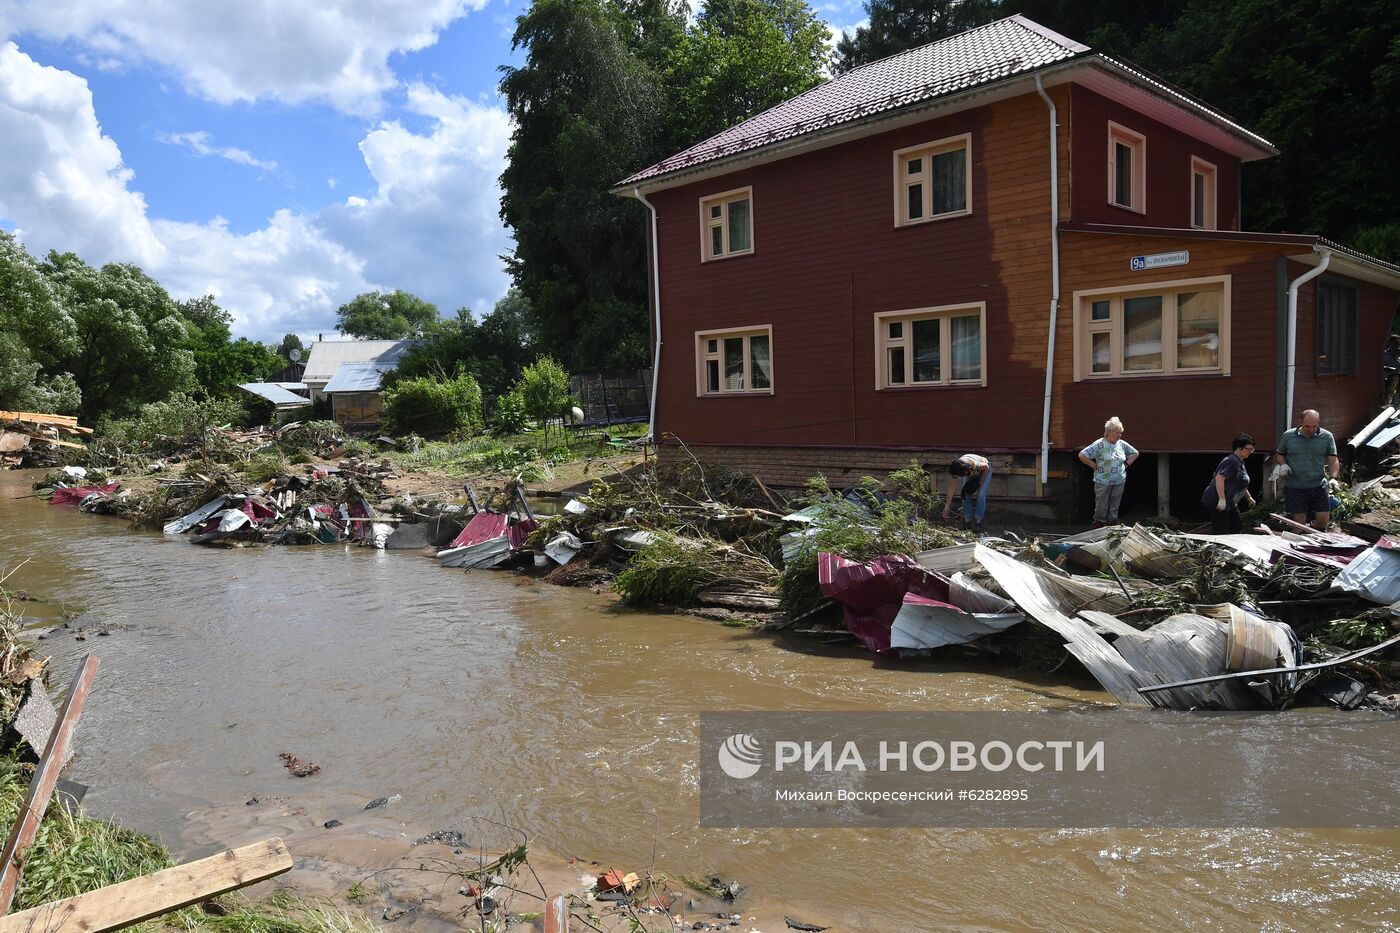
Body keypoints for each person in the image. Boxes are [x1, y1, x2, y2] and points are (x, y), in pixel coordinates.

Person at [1275, 409, 1339, 530]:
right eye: (1307, 426)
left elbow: (1333, 459)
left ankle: (1315, 540)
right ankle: (1296, 543)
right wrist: (1283, 465)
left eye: (1314, 426)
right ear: (1300, 422)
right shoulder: (1288, 436)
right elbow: (1279, 454)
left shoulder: (1326, 437)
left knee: (1323, 518)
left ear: (1318, 422)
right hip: (1295, 486)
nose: (1311, 430)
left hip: (1318, 484)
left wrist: (1334, 478)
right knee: (1299, 519)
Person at [1078, 416, 1139, 527]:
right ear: (1109, 432)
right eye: (1116, 433)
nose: (1119, 435)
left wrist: (1126, 464)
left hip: (1119, 479)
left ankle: (1112, 522)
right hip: (1103, 479)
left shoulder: (1121, 444)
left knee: (1115, 503)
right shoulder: (1099, 444)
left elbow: (1135, 453)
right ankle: (1099, 522)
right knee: (1102, 503)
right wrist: (1093, 465)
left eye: (1120, 433)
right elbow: (1082, 455)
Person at [1202, 433, 1257, 533]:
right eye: (1248, 449)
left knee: (1236, 525)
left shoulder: (1240, 462)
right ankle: (1214, 544)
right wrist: (1222, 499)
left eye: (1252, 449)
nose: (1251, 451)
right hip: (1217, 500)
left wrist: (1248, 498)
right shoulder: (1231, 461)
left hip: (1231, 502)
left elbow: (1240, 482)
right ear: (1239, 448)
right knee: (1221, 530)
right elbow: (1219, 478)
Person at [941, 454, 991, 531]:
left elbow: (986, 467)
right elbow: (951, 488)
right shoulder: (956, 468)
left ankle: (978, 522)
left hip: (984, 470)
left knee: (981, 495)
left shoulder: (972, 465)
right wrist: (947, 506)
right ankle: (967, 521)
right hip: (970, 471)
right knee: (965, 494)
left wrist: (980, 482)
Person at [1382, 334, 1400, 408]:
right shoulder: (1385, 354)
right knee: (1389, 392)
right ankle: (1386, 406)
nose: (1397, 345)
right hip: (1389, 378)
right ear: (1390, 343)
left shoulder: (1398, 354)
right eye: (1395, 343)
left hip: (1398, 378)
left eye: (1398, 343)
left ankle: (1395, 408)